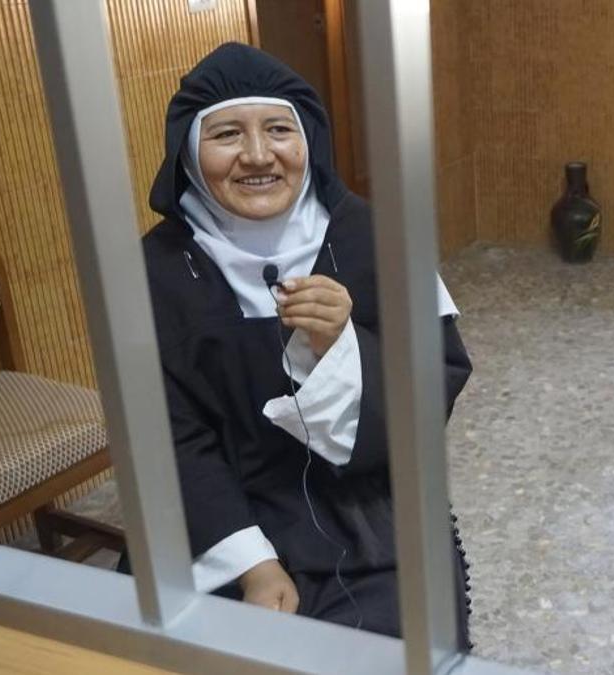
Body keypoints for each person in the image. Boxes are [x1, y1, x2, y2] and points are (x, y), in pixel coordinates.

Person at [140, 42, 473, 646]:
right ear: (188, 154)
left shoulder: (375, 236)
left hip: (361, 503)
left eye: (276, 129)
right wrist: (254, 564)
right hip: (218, 514)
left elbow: (435, 380)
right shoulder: (156, 269)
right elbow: (167, 435)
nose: (258, 155)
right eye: (226, 135)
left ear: (307, 143)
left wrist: (340, 345)